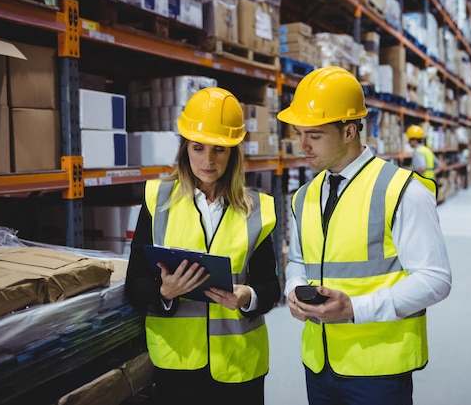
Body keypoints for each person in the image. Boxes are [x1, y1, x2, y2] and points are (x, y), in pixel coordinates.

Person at [277, 66, 452, 405]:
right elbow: (298, 261)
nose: (303, 146)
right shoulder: (304, 196)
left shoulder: (402, 191)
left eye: (314, 135)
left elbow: (435, 279)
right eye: (299, 133)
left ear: (349, 131)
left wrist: (356, 308)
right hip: (318, 363)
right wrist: (292, 291)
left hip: (378, 369)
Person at [125, 87, 280, 405]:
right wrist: (164, 293)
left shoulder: (258, 209)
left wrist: (247, 297)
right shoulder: (158, 201)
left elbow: (271, 287)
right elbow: (135, 283)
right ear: (185, 149)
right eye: (198, 148)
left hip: (239, 366)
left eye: (219, 149)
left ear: (234, 152)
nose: (208, 160)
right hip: (178, 366)